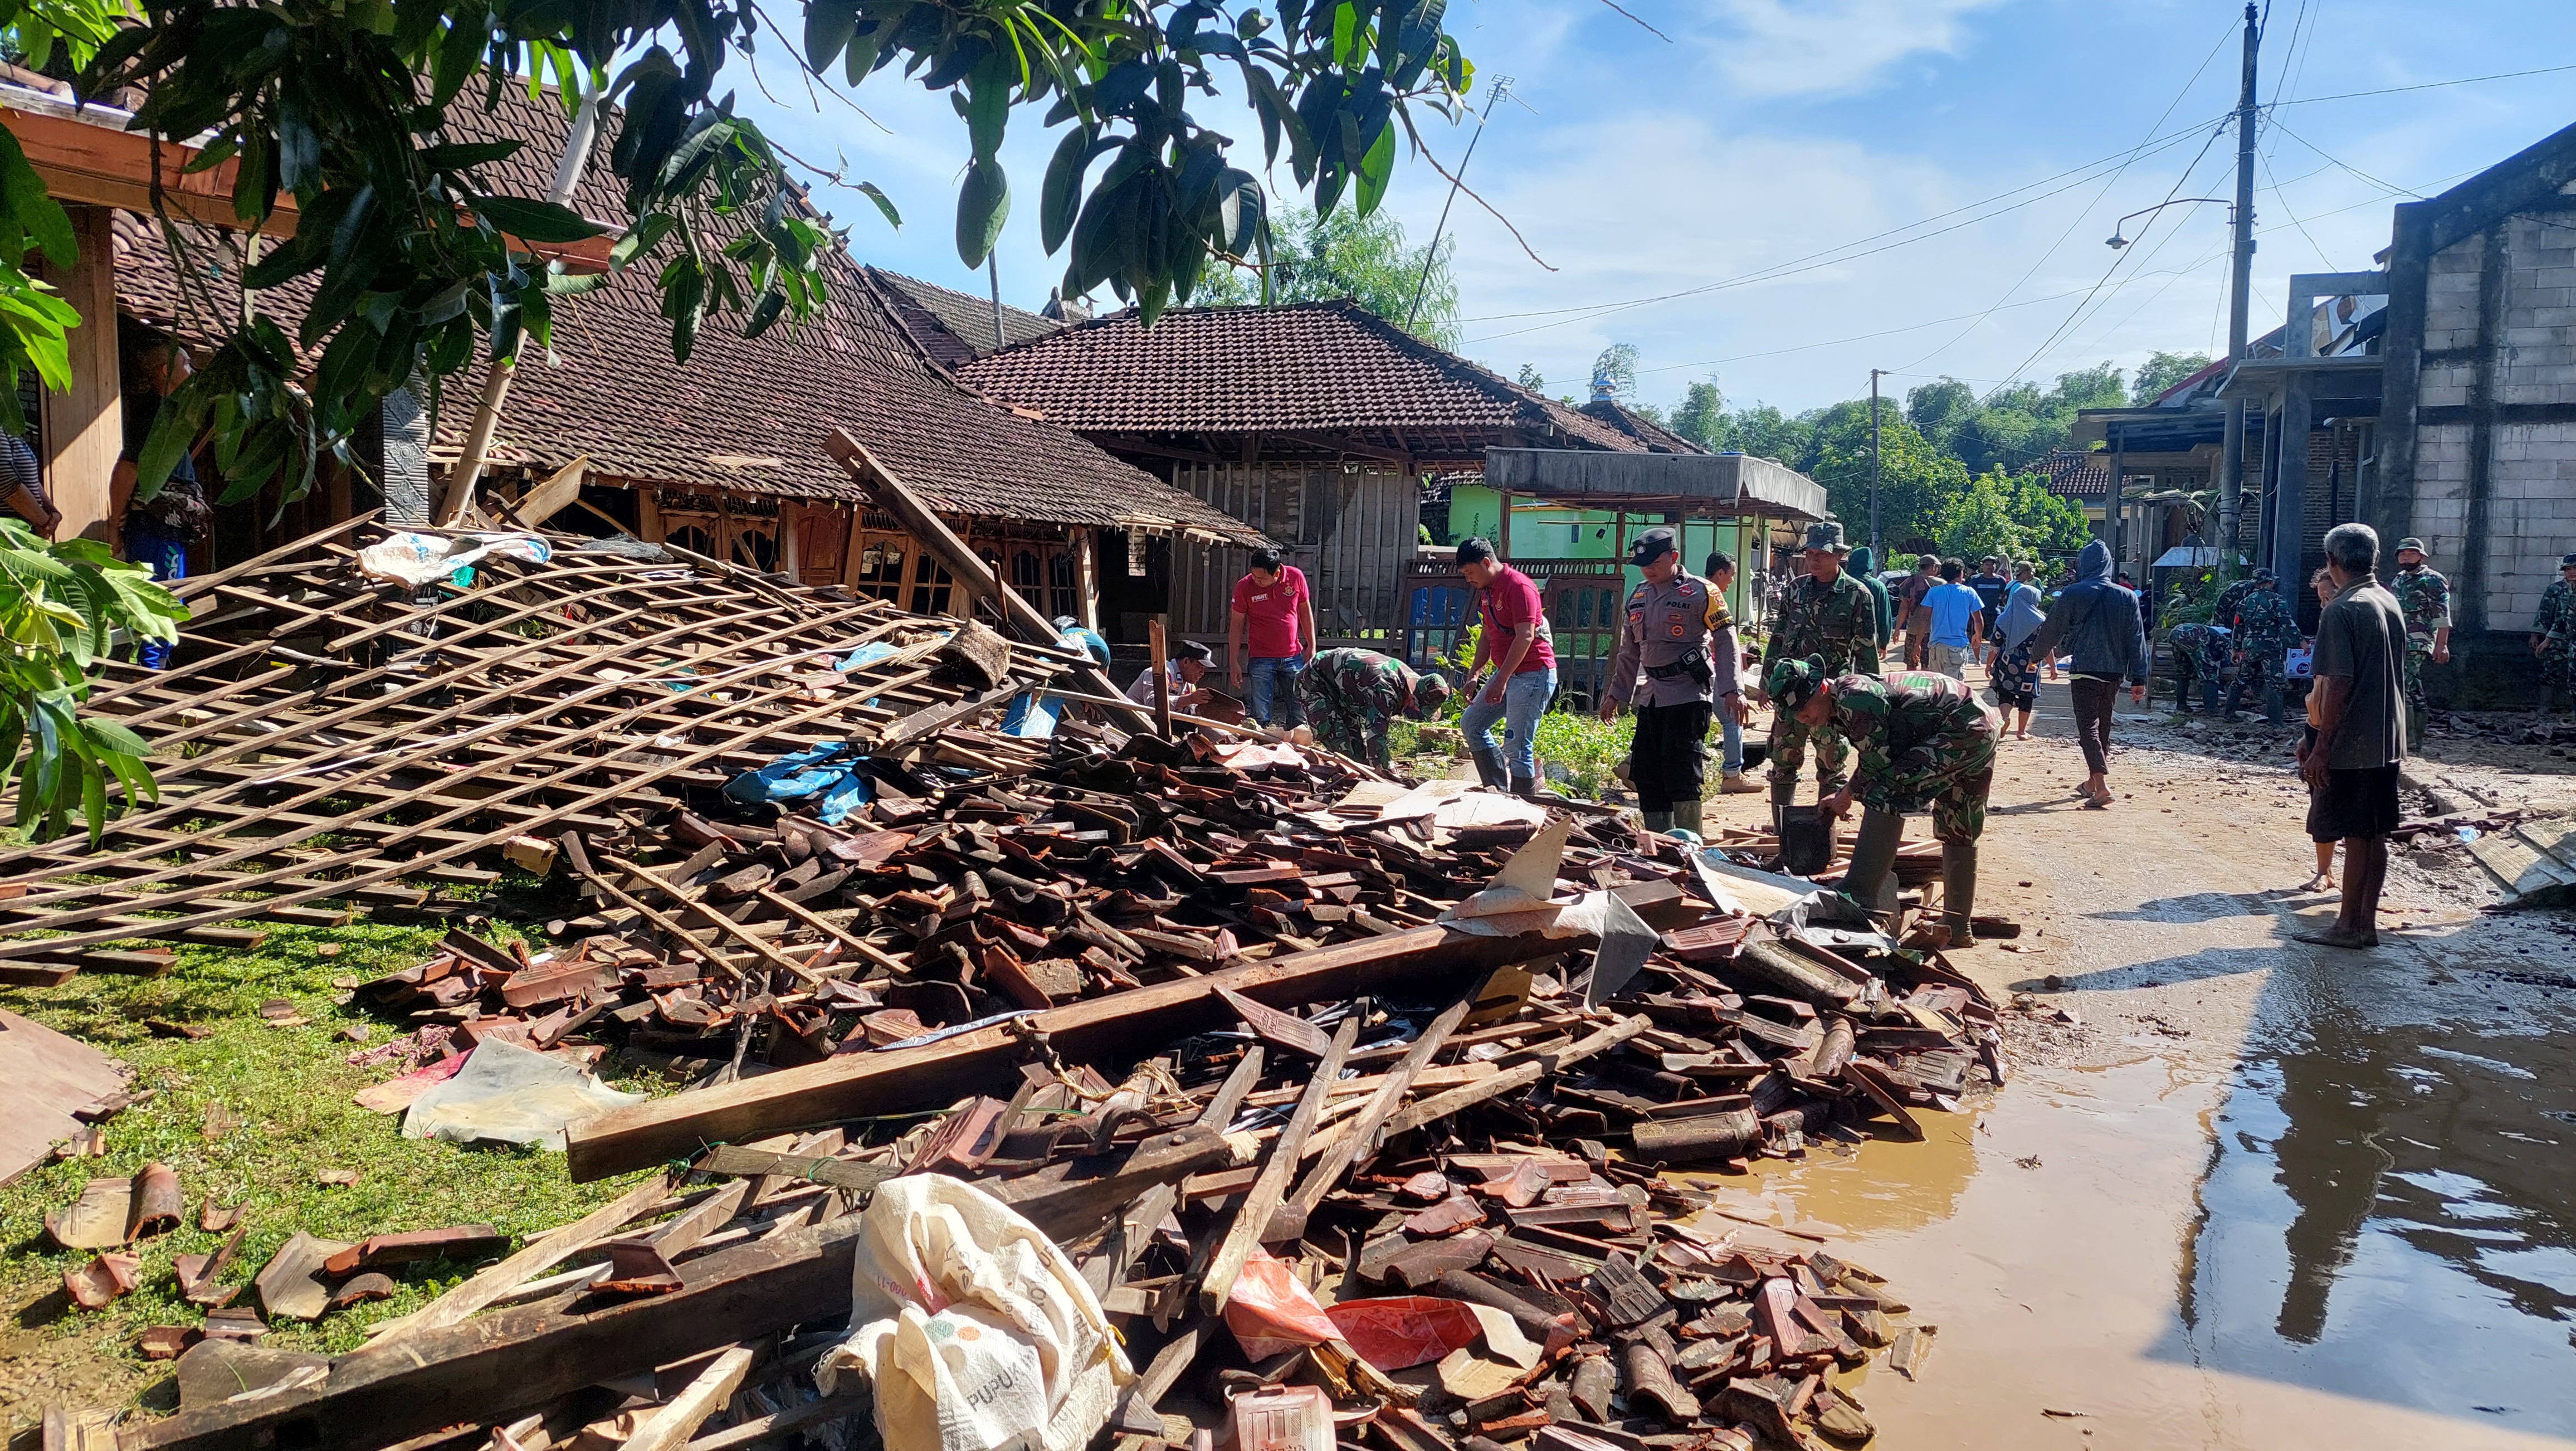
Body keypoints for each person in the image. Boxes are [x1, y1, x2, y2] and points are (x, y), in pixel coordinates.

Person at [1766, 657, 1997, 948]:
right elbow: (1878, 757)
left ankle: (1859, 893)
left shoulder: (1856, 699)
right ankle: (1957, 925)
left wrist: (1846, 795)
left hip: (1964, 727)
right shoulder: (1840, 704)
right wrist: (1845, 794)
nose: (1801, 718)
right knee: (1958, 819)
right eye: (1793, 713)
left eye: (1802, 708)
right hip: (1975, 724)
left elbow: (1880, 766)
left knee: (1888, 791)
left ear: (1822, 688)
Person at [2295, 524, 2409, 949]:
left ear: (2333, 562)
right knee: (2373, 834)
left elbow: (2337, 683)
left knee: (2356, 833)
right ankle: (2366, 924)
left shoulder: (2341, 610)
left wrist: (2320, 746)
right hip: (2388, 739)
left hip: (2354, 741)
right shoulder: (2388, 600)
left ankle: (2349, 926)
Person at [1599, 529, 1735, 836]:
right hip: (1651, 696)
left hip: (1689, 693)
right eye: (1642, 563)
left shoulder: (1704, 591)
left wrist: (1732, 690)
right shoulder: (1638, 596)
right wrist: (1615, 695)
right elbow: (1628, 651)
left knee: (1683, 772)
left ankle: (1690, 845)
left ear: (1673, 557)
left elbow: (1726, 640)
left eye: (1654, 562)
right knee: (1647, 774)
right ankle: (1660, 845)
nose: (1647, 569)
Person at [1754, 521, 1879, 821]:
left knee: (1831, 765)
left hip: (1830, 699)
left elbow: (1866, 652)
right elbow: (1779, 637)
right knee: (1783, 761)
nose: (1814, 560)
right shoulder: (1796, 589)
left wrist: (1870, 700)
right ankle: (1784, 829)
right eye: (1810, 553)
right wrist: (1766, 681)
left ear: (1838, 555)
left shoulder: (1857, 595)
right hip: (1789, 693)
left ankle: (1824, 834)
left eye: (1821, 554)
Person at [110, 327, 212, 669]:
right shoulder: (154, 413)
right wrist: (114, 523)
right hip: (156, 528)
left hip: (169, 528)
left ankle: (157, 668)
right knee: (162, 597)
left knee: (170, 596)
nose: (193, 371)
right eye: (187, 364)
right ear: (167, 371)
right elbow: (128, 469)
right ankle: (149, 674)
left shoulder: (174, 413)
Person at [2026, 539, 2148, 807]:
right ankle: (2092, 783)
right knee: (2102, 727)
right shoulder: (2127, 596)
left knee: (2088, 728)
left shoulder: (2074, 593)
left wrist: (2035, 658)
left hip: (2085, 670)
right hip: (2115, 672)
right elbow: (2136, 638)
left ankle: (2102, 787)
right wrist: (2139, 677)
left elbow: (2051, 629)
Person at [1456, 537, 1557, 796]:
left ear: (1487, 563)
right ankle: (1498, 792)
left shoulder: (1519, 587)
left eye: (1470, 572)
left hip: (1534, 673)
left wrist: (1500, 681)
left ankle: (1524, 810)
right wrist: (1475, 674)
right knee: (1472, 724)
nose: (1468, 580)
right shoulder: (1488, 593)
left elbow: (1526, 636)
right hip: (1508, 675)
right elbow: (1488, 636)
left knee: (1517, 746)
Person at [1298, 647, 1452, 770]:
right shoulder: (1385, 689)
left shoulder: (1412, 681)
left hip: (1344, 691)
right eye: (1418, 708)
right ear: (1412, 697)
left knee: (1357, 754)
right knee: (1342, 750)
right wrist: (1389, 773)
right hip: (1314, 682)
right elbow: (1375, 737)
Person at [1227, 546, 1316, 729]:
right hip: (1261, 658)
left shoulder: (1296, 577)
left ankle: (1297, 751)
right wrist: (1233, 660)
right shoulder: (1244, 587)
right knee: (1260, 715)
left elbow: (1305, 612)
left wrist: (1312, 645)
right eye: (1254, 576)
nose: (1257, 580)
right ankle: (1261, 750)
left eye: (1262, 578)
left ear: (1276, 573)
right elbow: (1236, 625)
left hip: (1293, 656)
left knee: (1300, 711)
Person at [2295, 567, 2345, 893]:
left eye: (2331, 596)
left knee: (2337, 801)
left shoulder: (2350, 629)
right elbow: (2319, 692)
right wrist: (2307, 734)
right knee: (2320, 802)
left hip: (2341, 733)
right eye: (2322, 599)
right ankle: (2324, 872)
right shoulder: (2328, 629)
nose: (2326, 603)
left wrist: (2321, 743)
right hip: (2318, 727)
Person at [1701, 550, 1762, 795]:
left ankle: (1634, 763)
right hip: (1711, 672)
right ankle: (1732, 773)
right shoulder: (1711, 594)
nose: (1732, 581)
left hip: (1704, 669)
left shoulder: (1696, 591)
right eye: (1732, 575)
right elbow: (1719, 640)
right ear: (1720, 573)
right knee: (1732, 718)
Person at [2388, 537, 2451, 739]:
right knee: (2413, 686)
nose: (2406, 557)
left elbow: (2442, 615)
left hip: (2418, 640)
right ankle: (2414, 739)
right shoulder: (2399, 579)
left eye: (2412, 553)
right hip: (2398, 640)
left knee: (2401, 683)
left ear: (2422, 557)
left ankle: (2406, 739)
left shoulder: (2433, 579)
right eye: (2403, 554)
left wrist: (2442, 645)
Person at [1988, 562, 2047, 739]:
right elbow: (2046, 645)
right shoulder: (2041, 620)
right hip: (2032, 662)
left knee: (2006, 692)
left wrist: (1989, 664)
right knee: (2026, 696)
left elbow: (1995, 644)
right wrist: (2052, 666)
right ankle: (2021, 731)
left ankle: (2005, 717)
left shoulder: (2004, 618)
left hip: (2008, 660)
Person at [2232, 582, 2298, 724]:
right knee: (2274, 683)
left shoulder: (2245, 602)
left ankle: (2229, 713)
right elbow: (2287, 622)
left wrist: (2236, 649)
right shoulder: (2277, 599)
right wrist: (2301, 641)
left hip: (2249, 647)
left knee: (2242, 679)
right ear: (2270, 582)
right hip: (2270, 647)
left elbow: (2238, 626)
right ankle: (2275, 721)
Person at [1921, 559, 1982, 679]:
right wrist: (1978, 636)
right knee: (1955, 688)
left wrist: (1918, 643)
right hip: (1957, 647)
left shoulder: (1933, 592)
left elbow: (1924, 619)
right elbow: (1978, 619)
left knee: (1937, 686)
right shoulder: (1969, 592)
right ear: (1961, 574)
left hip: (1936, 646)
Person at [2534, 552, 2576, 715]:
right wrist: (2547, 640)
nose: (2572, 572)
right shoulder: (2567, 591)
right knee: (2571, 678)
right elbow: (2562, 617)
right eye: (2568, 569)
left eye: (2575, 568)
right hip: (2569, 641)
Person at [1126, 638, 1216, 709]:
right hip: (1135, 723)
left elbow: (1192, 711)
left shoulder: (1189, 685)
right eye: (1198, 667)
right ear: (1186, 662)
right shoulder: (1160, 673)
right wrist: (1190, 699)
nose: (1202, 673)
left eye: (1204, 669)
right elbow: (1152, 704)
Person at [2163, 620, 2228, 714]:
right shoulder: (2226, 643)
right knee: (2209, 673)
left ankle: (2181, 705)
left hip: (2175, 634)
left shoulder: (2215, 634)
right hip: (2190, 636)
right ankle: (2211, 709)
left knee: (2184, 671)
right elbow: (2226, 667)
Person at [2, 430, 58, 536]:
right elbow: (6, 482)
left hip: (29, 522)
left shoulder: (9, 428)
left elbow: (30, 476)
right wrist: (44, 522)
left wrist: (51, 511)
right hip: (10, 528)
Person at [1847, 545, 1894, 656]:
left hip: (1841, 640)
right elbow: (1885, 617)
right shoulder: (1878, 586)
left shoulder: (1842, 582)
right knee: (1867, 673)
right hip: (1869, 641)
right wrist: (1884, 643)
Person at [1895, 554, 1939, 669]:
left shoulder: (1909, 582)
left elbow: (1904, 608)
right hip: (1933, 630)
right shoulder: (1941, 584)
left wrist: (1897, 629)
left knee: (1911, 664)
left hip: (1913, 629)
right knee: (1928, 665)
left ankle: (1911, 686)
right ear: (1933, 567)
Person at [1968, 557, 2011, 666]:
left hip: (1994, 613)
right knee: (1977, 636)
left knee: (1995, 638)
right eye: (1987, 564)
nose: (1989, 567)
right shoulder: (1975, 579)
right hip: (1977, 613)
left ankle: (1992, 661)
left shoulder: (2001, 580)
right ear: (1983, 566)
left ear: (1995, 566)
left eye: (1992, 564)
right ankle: (1978, 660)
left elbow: (2004, 596)